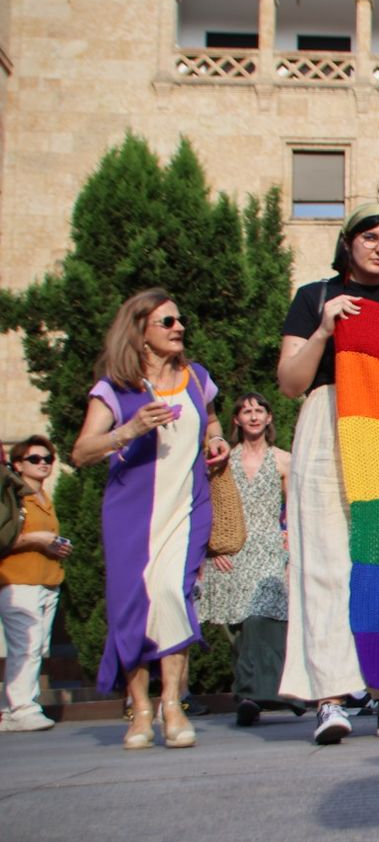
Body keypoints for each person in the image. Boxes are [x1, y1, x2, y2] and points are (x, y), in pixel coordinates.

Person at [277, 203, 379, 744]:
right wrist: (324, 330)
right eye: (369, 237)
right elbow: (289, 381)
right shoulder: (314, 297)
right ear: (348, 243)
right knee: (324, 563)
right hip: (327, 421)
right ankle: (329, 699)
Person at [71, 289, 230, 749]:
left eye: (180, 321)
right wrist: (130, 429)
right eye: (167, 322)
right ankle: (140, 708)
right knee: (132, 609)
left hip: (187, 508)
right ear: (140, 333)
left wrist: (216, 439)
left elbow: (213, 419)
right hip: (132, 517)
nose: (179, 328)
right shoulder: (114, 388)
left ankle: (173, 705)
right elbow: (81, 451)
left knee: (171, 595)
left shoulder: (198, 378)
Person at [197, 393, 302, 727]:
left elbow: (295, 511)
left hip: (271, 548)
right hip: (233, 549)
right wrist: (213, 550)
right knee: (240, 628)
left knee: (264, 621)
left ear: (269, 418)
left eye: (259, 410)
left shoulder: (283, 460)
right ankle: (254, 695)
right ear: (237, 420)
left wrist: (292, 555)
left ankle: (260, 693)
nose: (254, 416)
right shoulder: (222, 459)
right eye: (246, 411)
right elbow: (209, 506)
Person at [0, 436, 73, 732]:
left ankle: (9, 710)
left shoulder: (44, 499)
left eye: (47, 459)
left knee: (35, 647)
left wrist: (54, 546)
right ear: (17, 464)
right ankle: (23, 707)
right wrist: (38, 539)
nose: (43, 463)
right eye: (34, 459)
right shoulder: (15, 498)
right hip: (19, 580)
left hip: (47, 581)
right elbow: (6, 538)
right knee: (26, 647)